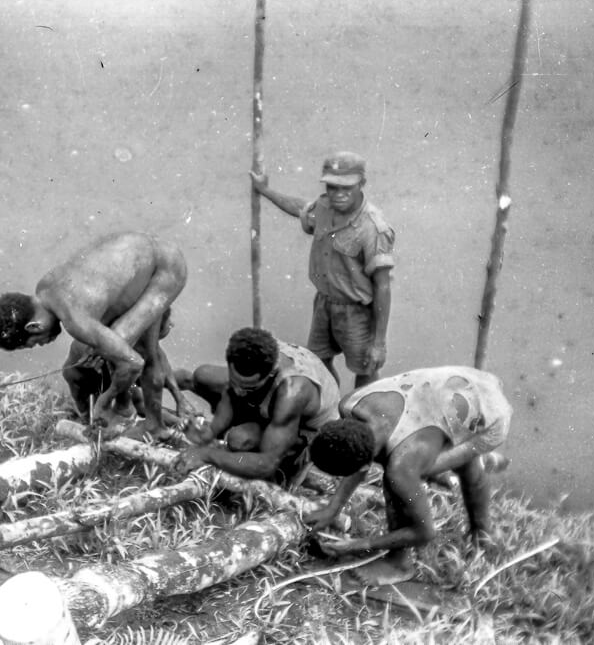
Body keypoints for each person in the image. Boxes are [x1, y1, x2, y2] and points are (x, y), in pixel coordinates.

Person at [304, 366, 513, 586]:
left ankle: (399, 564)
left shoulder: (402, 464)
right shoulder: (351, 404)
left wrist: (357, 545)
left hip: (490, 415)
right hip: (463, 385)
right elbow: (360, 457)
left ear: (365, 465)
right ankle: (482, 527)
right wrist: (333, 508)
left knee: (399, 481)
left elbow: (424, 533)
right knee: (418, 462)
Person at [0, 232, 191, 439]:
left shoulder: (75, 321)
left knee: (130, 347)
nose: (41, 344)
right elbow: (97, 299)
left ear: (34, 327)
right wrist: (102, 344)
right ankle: (135, 411)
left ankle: (145, 422)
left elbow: (132, 363)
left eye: (34, 344)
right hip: (142, 251)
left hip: (165, 271)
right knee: (115, 345)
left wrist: (103, 400)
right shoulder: (44, 288)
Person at [250, 151, 395, 389]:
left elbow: (383, 286)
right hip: (324, 305)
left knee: (366, 370)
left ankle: (361, 424)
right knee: (316, 363)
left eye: (346, 188)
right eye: (332, 187)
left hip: (356, 312)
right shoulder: (324, 207)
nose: (338, 194)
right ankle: (332, 414)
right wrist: (264, 190)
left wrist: (379, 343)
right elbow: (300, 208)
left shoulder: (373, 227)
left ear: (362, 184)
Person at [171, 327, 340, 484]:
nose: (238, 391)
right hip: (269, 402)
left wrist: (207, 455)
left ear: (271, 373)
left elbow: (267, 463)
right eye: (234, 381)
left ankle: (292, 464)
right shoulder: (252, 352)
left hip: (304, 427)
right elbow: (234, 390)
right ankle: (229, 435)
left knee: (240, 439)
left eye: (248, 387)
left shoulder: (293, 392)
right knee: (203, 376)